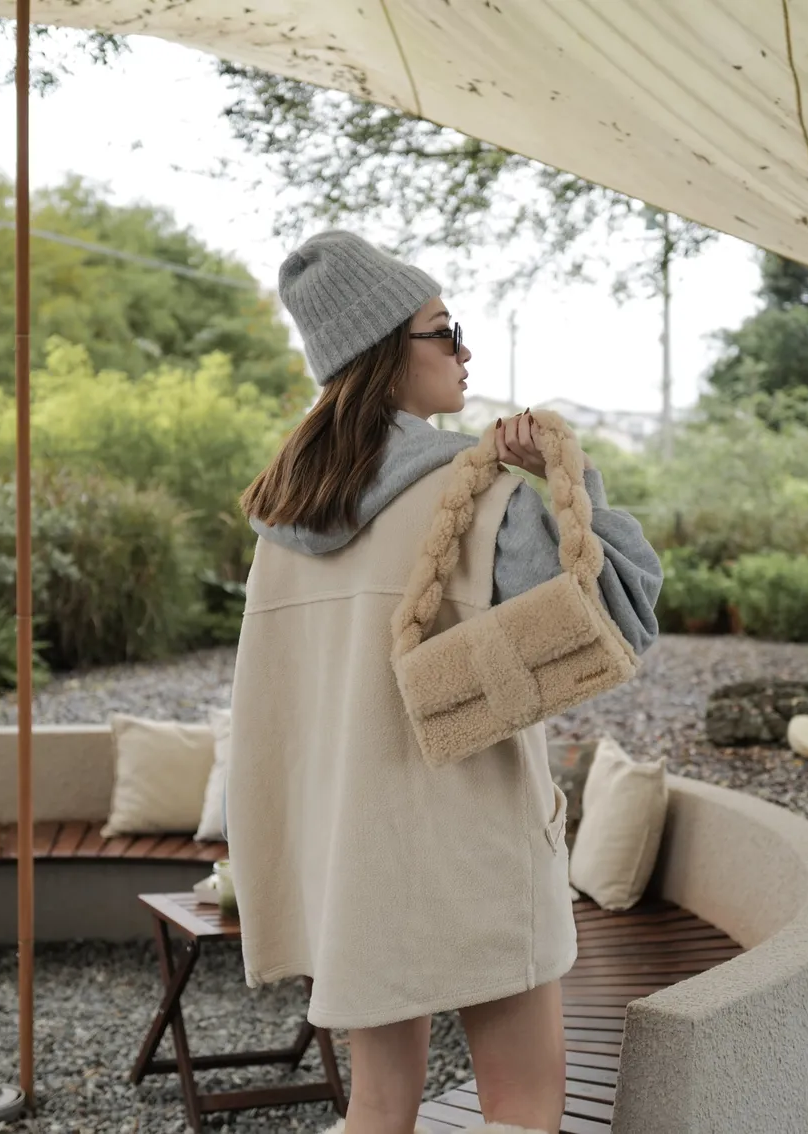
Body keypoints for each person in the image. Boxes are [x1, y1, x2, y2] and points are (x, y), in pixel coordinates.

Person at [226, 231, 663, 1134]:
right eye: (444, 330)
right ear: (386, 351)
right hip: (474, 846)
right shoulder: (481, 497)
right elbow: (623, 615)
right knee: (523, 1106)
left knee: (378, 1109)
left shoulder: (283, 522)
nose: (464, 351)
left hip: (350, 853)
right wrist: (571, 477)